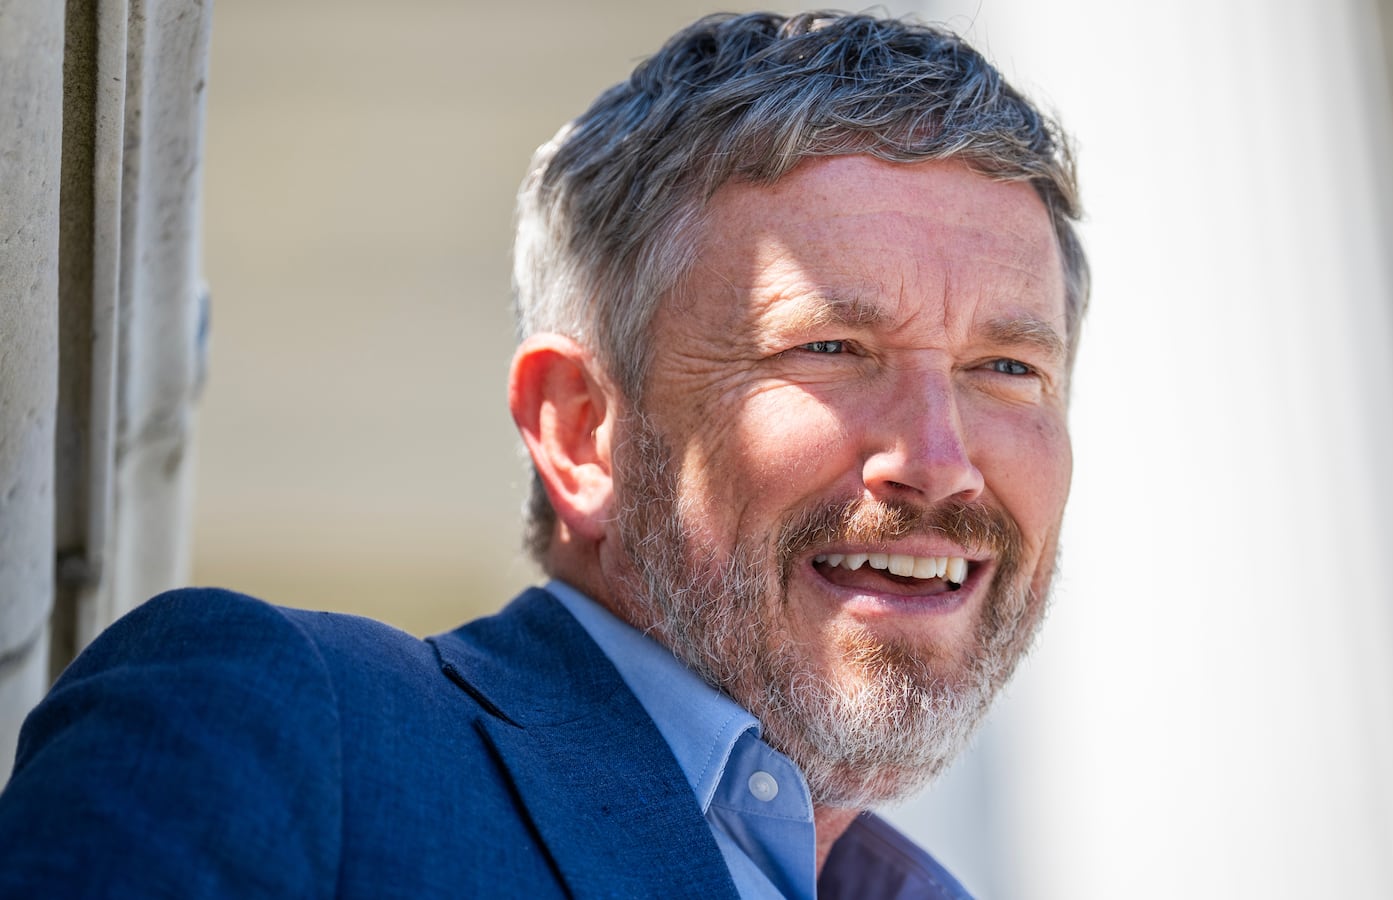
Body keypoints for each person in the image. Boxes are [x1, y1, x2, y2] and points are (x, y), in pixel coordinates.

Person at [0, 10, 1086, 898]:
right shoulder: (276, 731)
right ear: (580, 427)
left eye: (1006, 368)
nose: (940, 461)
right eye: (834, 348)